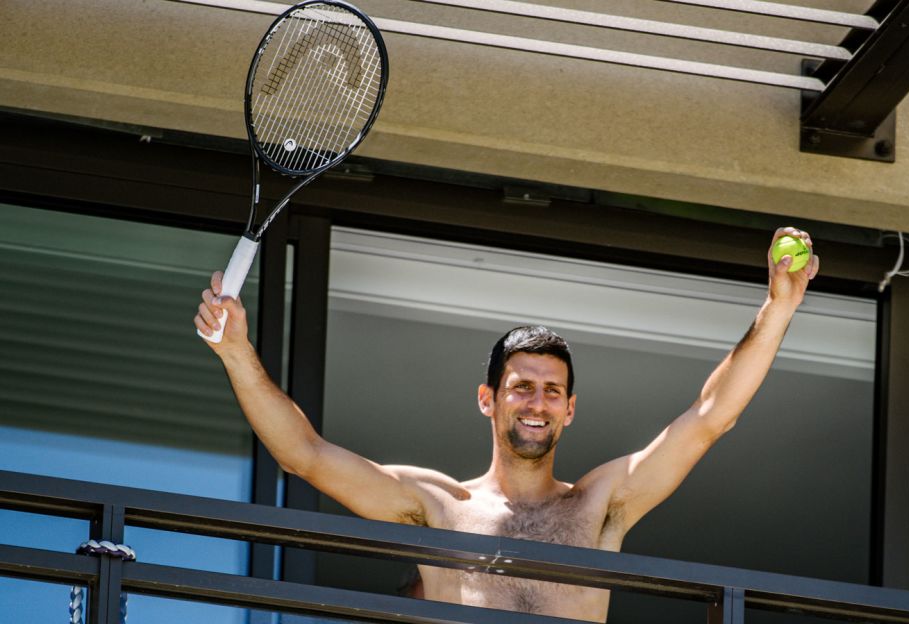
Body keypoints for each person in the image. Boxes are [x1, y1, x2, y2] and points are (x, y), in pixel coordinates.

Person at [193, 227, 818, 622]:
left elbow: (711, 417)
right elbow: (303, 454)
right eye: (521, 387)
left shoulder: (601, 503)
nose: (537, 404)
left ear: (570, 410)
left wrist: (777, 308)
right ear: (488, 400)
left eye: (552, 392)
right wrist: (236, 352)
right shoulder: (436, 505)